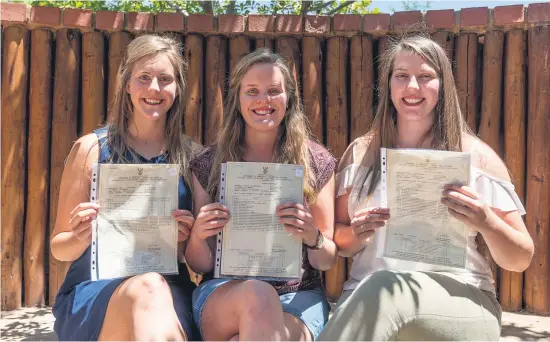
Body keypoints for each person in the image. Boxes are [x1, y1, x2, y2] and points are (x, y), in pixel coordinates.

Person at [318, 35, 534, 341]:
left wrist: (487, 222)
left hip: (461, 300)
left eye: (425, 76)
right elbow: (337, 241)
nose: (412, 87)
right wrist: (356, 233)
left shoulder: (478, 157)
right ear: (389, 84)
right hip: (366, 301)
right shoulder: (361, 153)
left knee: (385, 288)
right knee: (379, 290)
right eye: (402, 76)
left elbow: (521, 258)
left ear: (443, 85)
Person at [50, 34, 199, 341]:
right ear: (126, 83)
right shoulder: (91, 149)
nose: (154, 88)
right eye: (143, 77)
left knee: (153, 288)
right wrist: (80, 235)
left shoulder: (193, 158)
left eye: (165, 79)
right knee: (148, 287)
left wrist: (185, 240)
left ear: (177, 87)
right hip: (96, 291)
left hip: (169, 289)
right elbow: (59, 247)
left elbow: (197, 260)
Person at [185, 48, 337, 341]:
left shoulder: (316, 162)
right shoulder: (210, 164)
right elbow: (199, 264)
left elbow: (327, 260)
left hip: (298, 298)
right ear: (237, 100)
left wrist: (312, 236)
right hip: (226, 292)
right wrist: (197, 235)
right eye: (252, 91)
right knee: (258, 294)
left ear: (288, 98)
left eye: (273, 91)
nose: (263, 100)